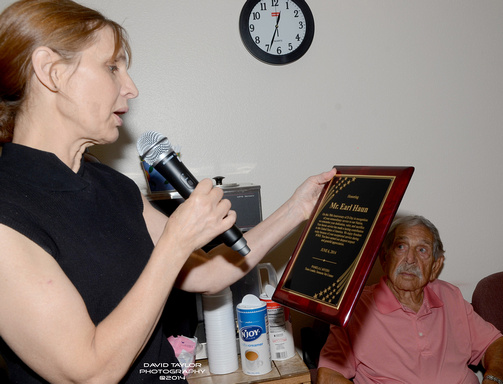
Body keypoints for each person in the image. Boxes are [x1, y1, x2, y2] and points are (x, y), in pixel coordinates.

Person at [0, 1, 336, 383]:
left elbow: (208, 275)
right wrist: (176, 241)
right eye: (112, 67)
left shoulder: (113, 187)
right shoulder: (7, 213)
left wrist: (297, 208)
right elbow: (90, 373)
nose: (131, 87)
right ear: (51, 71)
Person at [317, 215, 503, 384]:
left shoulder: (450, 296)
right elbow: (328, 375)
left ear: (436, 265)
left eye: (422, 250)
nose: (410, 259)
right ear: (384, 258)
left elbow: (497, 344)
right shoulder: (355, 308)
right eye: (401, 247)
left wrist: (493, 380)